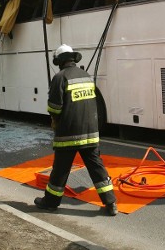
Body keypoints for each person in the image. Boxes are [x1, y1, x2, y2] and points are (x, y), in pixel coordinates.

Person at [34, 44, 118, 216]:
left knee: (60, 170)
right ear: (72, 58)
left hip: (68, 134)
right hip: (91, 132)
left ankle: (50, 202)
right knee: (97, 168)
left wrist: (54, 118)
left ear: (59, 61)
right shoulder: (86, 76)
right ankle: (111, 203)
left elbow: (55, 108)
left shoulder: (60, 77)